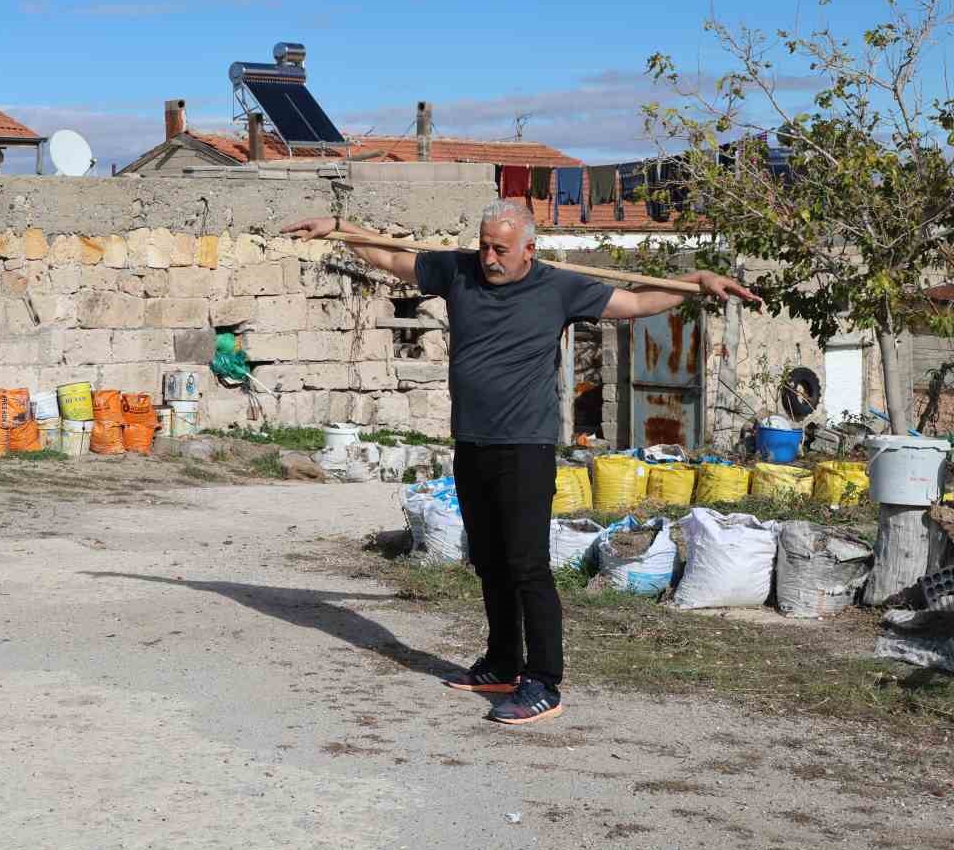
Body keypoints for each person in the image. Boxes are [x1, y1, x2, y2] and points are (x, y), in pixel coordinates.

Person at [282, 203, 759, 725]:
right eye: (484, 244)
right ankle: (503, 662)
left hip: (524, 446)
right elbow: (392, 259)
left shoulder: (560, 288)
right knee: (488, 558)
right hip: (472, 441)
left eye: (500, 249)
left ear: (528, 249)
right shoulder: (458, 269)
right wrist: (342, 230)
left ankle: (544, 681)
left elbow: (637, 300)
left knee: (526, 564)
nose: (488, 257)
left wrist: (693, 282)